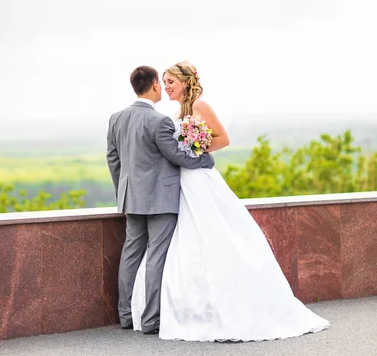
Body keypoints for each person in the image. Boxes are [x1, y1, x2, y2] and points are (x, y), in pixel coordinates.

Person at [131, 61, 330, 341]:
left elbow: (223, 139)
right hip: (182, 182)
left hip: (198, 178)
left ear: (187, 82)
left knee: (210, 234)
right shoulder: (177, 112)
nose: (166, 87)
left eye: (171, 82)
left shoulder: (200, 106)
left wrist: (196, 149)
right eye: (164, 83)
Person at [106, 65, 215, 335]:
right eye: (162, 83)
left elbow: (113, 159)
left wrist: (124, 191)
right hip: (161, 200)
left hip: (132, 198)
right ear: (154, 85)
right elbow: (175, 155)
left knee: (131, 254)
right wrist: (205, 159)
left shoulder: (116, 118)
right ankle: (152, 319)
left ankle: (126, 316)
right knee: (156, 256)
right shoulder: (159, 121)